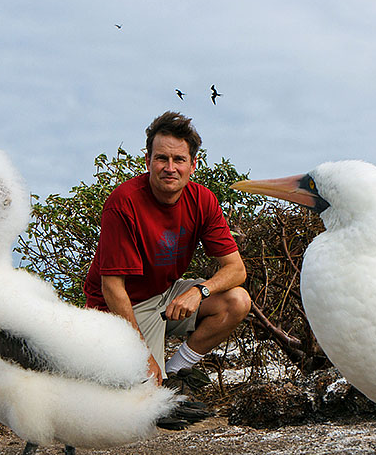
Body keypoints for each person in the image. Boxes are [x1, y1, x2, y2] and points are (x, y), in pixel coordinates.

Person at [83, 111, 251, 389]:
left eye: (179, 160)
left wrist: (199, 292)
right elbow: (112, 287)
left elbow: (236, 270)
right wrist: (142, 355)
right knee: (147, 392)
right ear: (148, 160)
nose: (169, 167)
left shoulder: (202, 200)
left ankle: (176, 371)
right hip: (119, 307)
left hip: (165, 294)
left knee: (237, 301)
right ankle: (156, 378)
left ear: (193, 165)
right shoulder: (124, 202)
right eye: (161, 158)